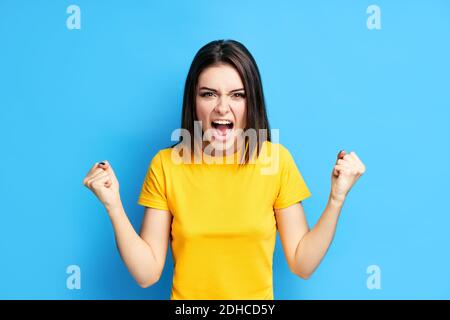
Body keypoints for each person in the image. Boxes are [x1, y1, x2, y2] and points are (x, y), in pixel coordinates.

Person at [82, 39, 366, 300]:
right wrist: (113, 206)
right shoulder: (166, 165)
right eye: (209, 94)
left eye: (237, 95)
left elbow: (302, 263)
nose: (222, 107)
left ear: (251, 100)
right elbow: (147, 274)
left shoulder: (275, 161)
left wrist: (337, 199)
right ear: (193, 102)